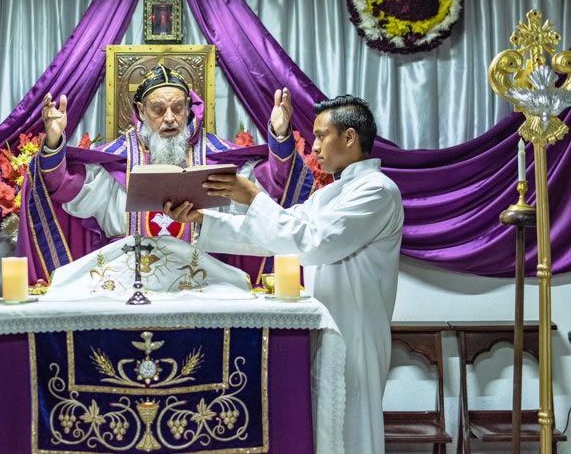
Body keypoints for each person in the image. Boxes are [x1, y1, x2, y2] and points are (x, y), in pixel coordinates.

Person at [165, 95, 404, 453]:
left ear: (349, 137)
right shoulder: (330, 195)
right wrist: (204, 220)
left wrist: (254, 197)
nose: (316, 147)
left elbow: (311, 242)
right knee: (324, 430)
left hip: (356, 332)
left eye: (321, 136)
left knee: (354, 430)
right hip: (326, 324)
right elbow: (277, 236)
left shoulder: (377, 191)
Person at [17, 64, 318, 281]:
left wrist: (280, 135)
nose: (170, 118)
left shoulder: (216, 156)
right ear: (140, 110)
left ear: (189, 107)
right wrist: (54, 141)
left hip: (203, 278)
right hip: (127, 278)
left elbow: (273, 187)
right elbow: (62, 186)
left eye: (178, 108)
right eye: (158, 109)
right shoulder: (116, 161)